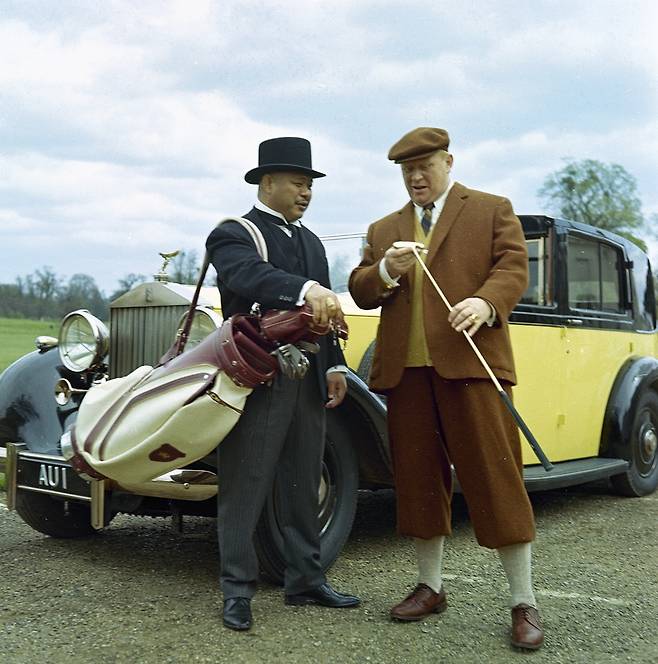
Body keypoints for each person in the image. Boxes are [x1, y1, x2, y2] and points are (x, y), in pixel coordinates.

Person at [348, 127, 544, 650]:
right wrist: (385, 269)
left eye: (425, 167)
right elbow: (361, 290)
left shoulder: (492, 209)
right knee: (416, 481)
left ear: (448, 162)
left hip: (473, 369)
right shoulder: (384, 228)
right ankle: (430, 587)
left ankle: (523, 601)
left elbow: (513, 267)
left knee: (496, 480)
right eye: (407, 170)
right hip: (407, 376)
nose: (416, 178)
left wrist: (486, 302)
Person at [206, 136, 360, 632]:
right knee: (245, 482)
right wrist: (304, 288)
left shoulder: (312, 242)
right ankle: (237, 589)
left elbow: (326, 314)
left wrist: (334, 365)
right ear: (267, 182)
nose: (306, 192)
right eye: (297, 183)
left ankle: (305, 580)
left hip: (308, 375)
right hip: (258, 375)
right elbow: (248, 276)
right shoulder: (234, 234)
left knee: (303, 479)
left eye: (310, 184)